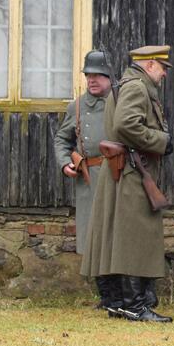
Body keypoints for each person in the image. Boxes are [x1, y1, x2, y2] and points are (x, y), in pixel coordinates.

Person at [80, 45, 174, 323]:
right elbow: (126, 125)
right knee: (135, 237)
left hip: (128, 169)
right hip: (134, 171)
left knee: (123, 236)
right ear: (150, 65)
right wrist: (161, 141)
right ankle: (134, 306)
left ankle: (120, 303)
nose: (165, 75)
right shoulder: (137, 87)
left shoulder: (130, 85)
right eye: (163, 68)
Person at [54, 50, 115, 308]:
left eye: (98, 75)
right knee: (93, 237)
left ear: (109, 76)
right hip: (89, 181)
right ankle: (106, 296)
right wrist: (66, 162)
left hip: (117, 176)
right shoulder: (76, 106)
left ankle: (129, 293)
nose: (93, 79)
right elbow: (62, 139)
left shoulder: (122, 101)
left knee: (117, 234)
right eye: (89, 75)